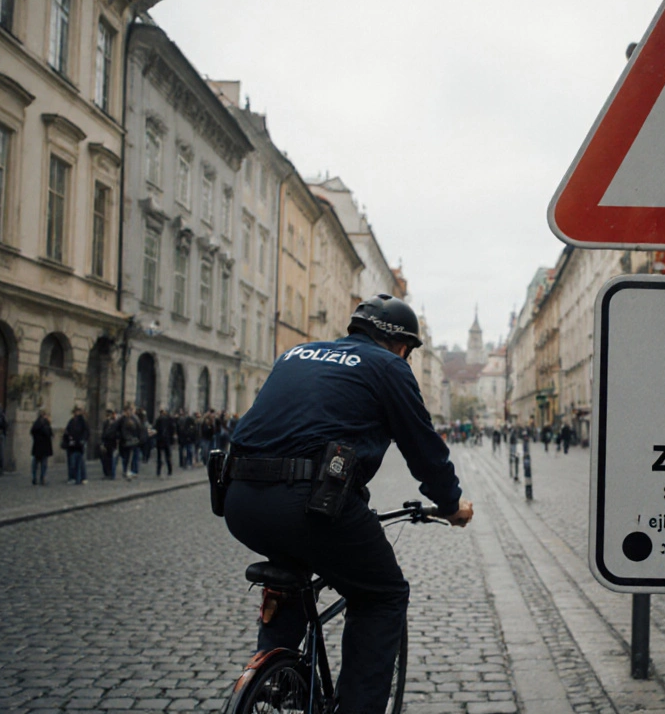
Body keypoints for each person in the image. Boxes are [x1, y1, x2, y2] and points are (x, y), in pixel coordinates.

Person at [224, 293, 474, 714]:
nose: (407, 359)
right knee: (383, 594)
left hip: (239, 498)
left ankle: (276, 678)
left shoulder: (294, 354)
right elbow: (423, 448)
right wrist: (450, 504)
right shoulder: (389, 367)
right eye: (409, 352)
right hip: (313, 502)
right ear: (401, 346)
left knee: (290, 569)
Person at [64, 406, 89, 485]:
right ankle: (72, 477)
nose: (76, 413)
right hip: (72, 445)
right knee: (72, 462)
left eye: (77, 411)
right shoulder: (71, 421)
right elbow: (67, 431)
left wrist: (83, 440)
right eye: (75, 412)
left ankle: (83, 477)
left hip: (79, 445)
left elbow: (86, 432)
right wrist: (68, 438)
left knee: (81, 462)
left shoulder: (82, 421)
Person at [118, 404, 142, 480]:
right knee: (126, 457)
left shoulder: (134, 419)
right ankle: (128, 471)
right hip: (127, 441)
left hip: (132, 441)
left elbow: (138, 430)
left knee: (132, 456)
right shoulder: (124, 419)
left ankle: (132, 471)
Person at [29, 409, 53, 486]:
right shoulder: (46, 424)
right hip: (44, 446)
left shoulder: (36, 423)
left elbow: (32, 432)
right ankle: (42, 478)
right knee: (43, 463)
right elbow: (48, 433)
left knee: (35, 463)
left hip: (37, 446)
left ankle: (34, 477)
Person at [154, 408, 177, 477]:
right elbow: (173, 430)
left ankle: (158, 471)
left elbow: (154, 429)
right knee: (168, 456)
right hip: (167, 440)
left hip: (160, 440)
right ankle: (169, 471)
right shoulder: (169, 419)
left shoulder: (158, 420)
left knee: (159, 457)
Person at [100, 409, 119, 479]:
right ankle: (107, 473)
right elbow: (103, 433)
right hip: (106, 443)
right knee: (105, 459)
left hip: (113, 443)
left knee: (112, 459)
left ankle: (111, 473)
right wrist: (102, 442)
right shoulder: (106, 423)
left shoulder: (116, 423)